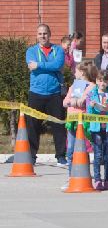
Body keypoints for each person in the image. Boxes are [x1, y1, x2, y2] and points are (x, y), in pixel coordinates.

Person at [24, 24, 68, 165]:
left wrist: (40, 65)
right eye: (40, 33)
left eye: (45, 33)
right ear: (37, 35)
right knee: (32, 126)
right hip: (36, 93)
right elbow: (35, 66)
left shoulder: (59, 50)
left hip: (55, 93)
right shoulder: (31, 51)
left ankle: (61, 156)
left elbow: (58, 65)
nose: (42, 36)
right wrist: (49, 66)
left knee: (58, 126)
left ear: (49, 34)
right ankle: (31, 156)